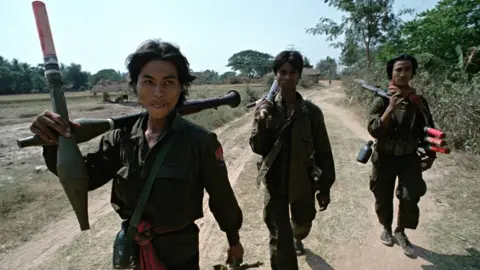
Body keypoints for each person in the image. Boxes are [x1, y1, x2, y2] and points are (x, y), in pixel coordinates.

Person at [31, 39, 244, 270]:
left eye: (168, 82)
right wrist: (54, 142)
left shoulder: (200, 143)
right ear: (135, 86)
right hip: (131, 252)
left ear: (181, 87)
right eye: (148, 82)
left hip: (179, 255)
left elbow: (222, 198)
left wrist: (234, 241)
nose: (158, 92)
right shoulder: (120, 138)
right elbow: (85, 178)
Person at [249, 50, 336, 270]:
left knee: (303, 223)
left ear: (299, 75)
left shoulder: (312, 113)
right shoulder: (265, 109)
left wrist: (324, 187)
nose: (287, 77)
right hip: (275, 181)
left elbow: (324, 152)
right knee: (280, 239)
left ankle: (298, 236)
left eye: (292, 72)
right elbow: (257, 147)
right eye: (282, 72)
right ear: (275, 75)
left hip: (303, 181)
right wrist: (261, 122)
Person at [367, 54, 436, 256]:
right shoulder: (381, 98)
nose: (403, 73)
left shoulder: (418, 101)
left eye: (407, 69)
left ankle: (401, 231)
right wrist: (390, 109)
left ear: (412, 72)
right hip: (385, 157)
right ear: (392, 73)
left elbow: (428, 128)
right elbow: (373, 129)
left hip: (409, 158)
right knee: (382, 195)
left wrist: (431, 154)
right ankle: (386, 229)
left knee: (409, 196)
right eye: (398, 70)